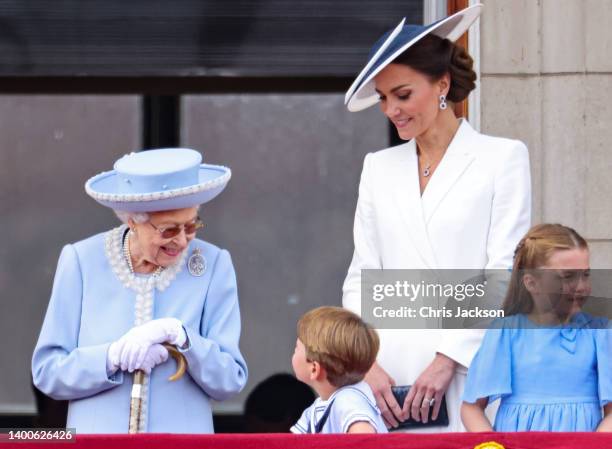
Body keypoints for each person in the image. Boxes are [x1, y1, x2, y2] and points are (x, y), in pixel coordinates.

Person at [342, 4, 531, 432]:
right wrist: (365, 362)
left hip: (470, 368)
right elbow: (361, 275)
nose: (392, 109)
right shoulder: (378, 166)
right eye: (384, 97)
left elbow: (503, 271)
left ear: (442, 83)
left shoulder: (502, 158)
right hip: (388, 379)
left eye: (403, 94)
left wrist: (449, 358)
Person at [32, 148, 248, 433]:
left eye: (191, 225)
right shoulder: (81, 261)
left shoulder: (213, 265)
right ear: (132, 220)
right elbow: (48, 373)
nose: (183, 241)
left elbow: (230, 380)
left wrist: (182, 337)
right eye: (169, 230)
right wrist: (111, 357)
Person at [461, 224, 612, 431]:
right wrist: (490, 445)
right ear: (532, 283)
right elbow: (471, 408)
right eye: (568, 276)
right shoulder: (505, 332)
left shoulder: (600, 334)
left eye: (585, 274)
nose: (581, 286)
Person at [290, 306, 387, 434]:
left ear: (314, 369)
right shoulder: (317, 408)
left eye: (296, 348)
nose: (293, 352)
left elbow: (364, 438)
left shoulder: (348, 400)